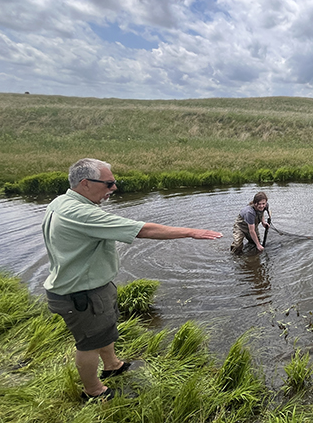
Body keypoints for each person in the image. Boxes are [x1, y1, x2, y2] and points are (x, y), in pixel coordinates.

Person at [42, 158, 222, 401]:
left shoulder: (62, 202)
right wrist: (191, 232)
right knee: (89, 344)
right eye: (108, 184)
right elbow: (143, 230)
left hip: (91, 287)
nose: (113, 189)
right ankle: (94, 391)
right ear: (85, 183)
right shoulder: (81, 213)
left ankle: (113, 365)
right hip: (81, 293)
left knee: (104, 328)